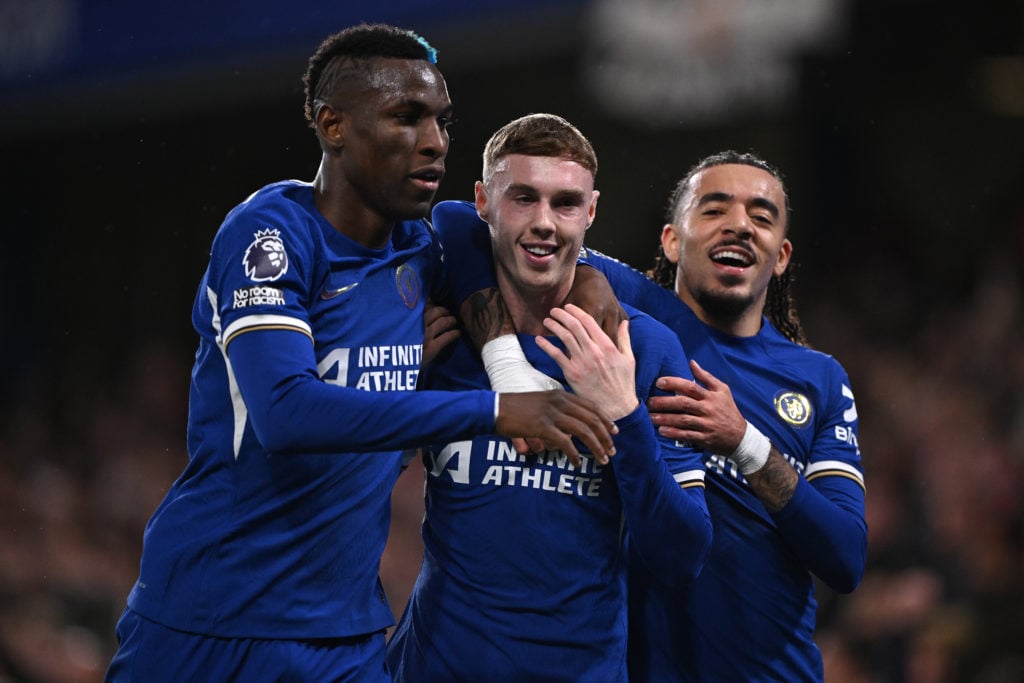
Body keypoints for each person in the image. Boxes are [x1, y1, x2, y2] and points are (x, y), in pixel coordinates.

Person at [104, 26, 618, 682]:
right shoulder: (272, 236)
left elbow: (491, 235)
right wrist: (492, 409)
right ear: (333, 125)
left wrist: (598, 277)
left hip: (342, 633)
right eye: (406, 118)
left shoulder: (420, 249)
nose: (433, 140)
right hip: (210, 622)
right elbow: (286, 415)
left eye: (441, 120)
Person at [436, 150, 867, 681]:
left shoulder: (818, 378)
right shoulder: (640, 326)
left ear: (781, 255)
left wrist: (743, 442)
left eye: (761, 216)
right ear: (670, 240)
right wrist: (585, 277)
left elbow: (845, 559)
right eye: (714, 210)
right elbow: (460, 219)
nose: (739, 226)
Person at [385, 113, 712, 682]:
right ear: (485, 201)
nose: (544, 223)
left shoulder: (641, 349)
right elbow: (346, 488)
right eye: (523, 198)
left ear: (590, 212)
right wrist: (403, 391)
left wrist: (625, 418)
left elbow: (682, 556)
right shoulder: (437, 331)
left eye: (564, 203)